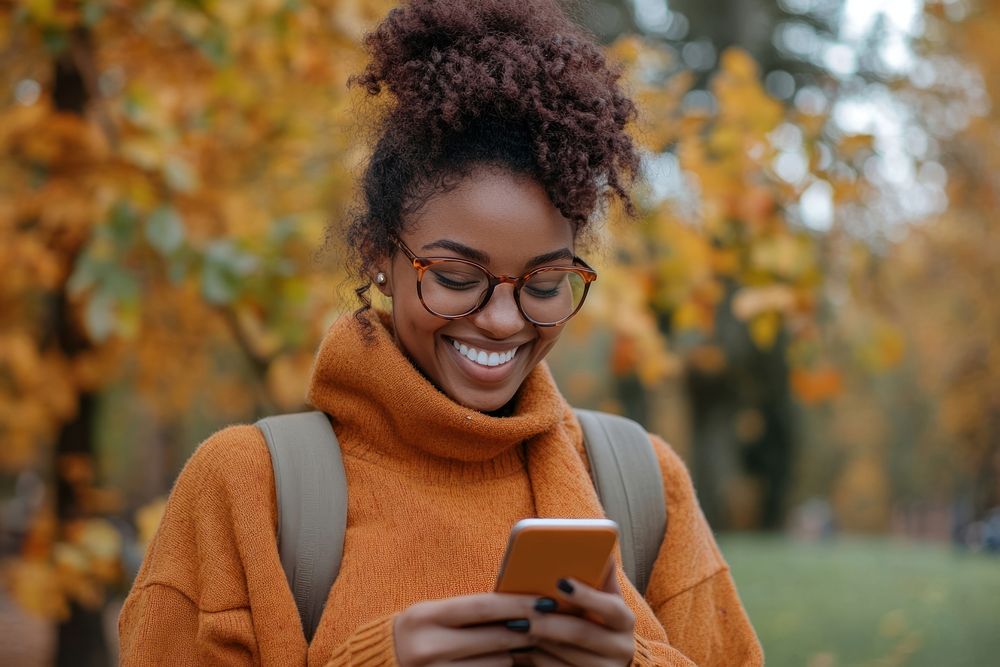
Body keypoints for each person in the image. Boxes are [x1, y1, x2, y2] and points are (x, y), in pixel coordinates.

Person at [118, 1, 764, 665]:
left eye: (544, 284)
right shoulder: (247, 488)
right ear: (377, 255)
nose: (505, 319)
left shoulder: (642, 485)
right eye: (456, 277)